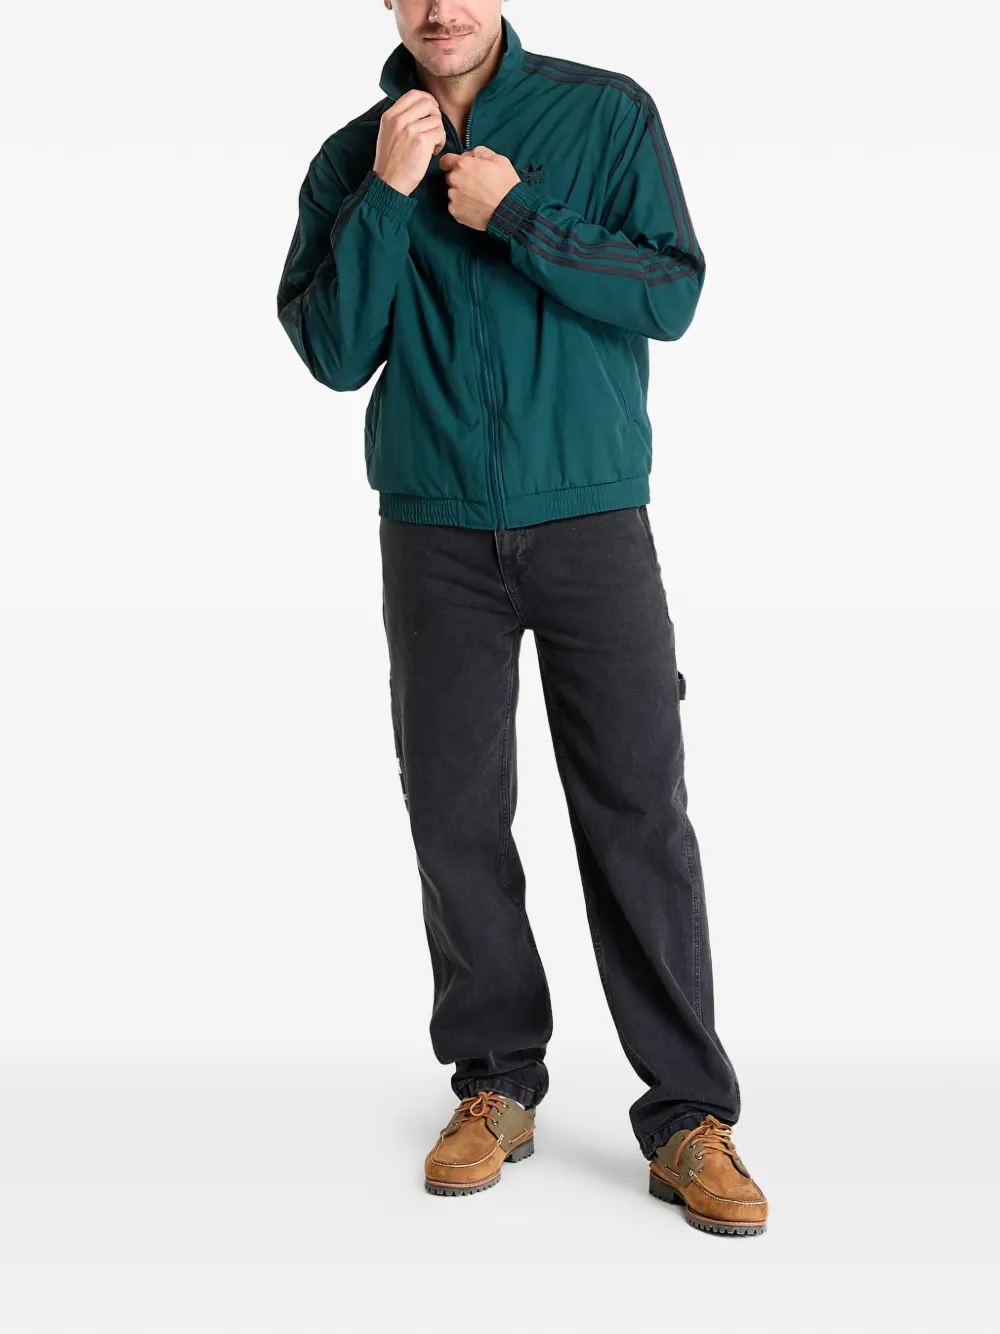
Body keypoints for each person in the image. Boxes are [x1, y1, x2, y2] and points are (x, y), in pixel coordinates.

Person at [276, 0, 768, 1237]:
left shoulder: (606, 113)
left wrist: (518, 216)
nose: (441, 8)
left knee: (637, 809)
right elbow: (332, 351)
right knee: (453, 812)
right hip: (432, 529)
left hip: (592, 517)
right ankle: (494, 1081)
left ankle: (688, 1113)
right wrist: (387, 196)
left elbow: (670, 294)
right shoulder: (352, 156)